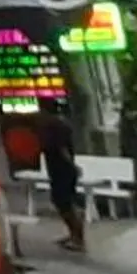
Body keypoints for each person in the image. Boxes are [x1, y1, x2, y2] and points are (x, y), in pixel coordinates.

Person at [37, 104, 86, 252]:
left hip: (62, 170)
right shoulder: (60, 124)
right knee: (63, 202)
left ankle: (78, 238)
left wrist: (72, 166)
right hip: (60, 170)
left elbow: (62, 149)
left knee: (65, 203)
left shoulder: (55, 126)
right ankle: (73, 235)